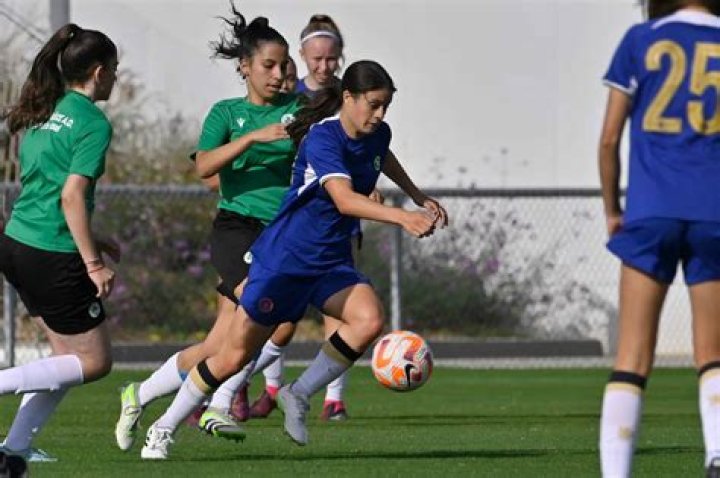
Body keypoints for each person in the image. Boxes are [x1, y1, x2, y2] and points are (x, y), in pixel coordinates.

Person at [139, 59, 448, 459]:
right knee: (232, 356)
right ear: (349, 98)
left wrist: (417, 195)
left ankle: (298, 393)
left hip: (330, 260)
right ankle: (162, 428)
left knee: (369, 320)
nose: (380, 114)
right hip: (285, 261)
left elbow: (382, 154)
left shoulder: (378, 132)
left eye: (386, 106)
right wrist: (404, 217)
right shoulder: (323, 138)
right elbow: (344, 199)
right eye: (373, 104)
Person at [113, 8, 304, 450]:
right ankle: (217, 405)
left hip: (280, 233)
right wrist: (252, 138)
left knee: (219, 345)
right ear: (245, 67)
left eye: (283, 66)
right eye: (269, 65)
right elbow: (203, 167)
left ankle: (139, 394)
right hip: (237, 229)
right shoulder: (227, 114)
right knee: (262, 311)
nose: (279, 75)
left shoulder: (298, 112)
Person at [598, 1, 720, 476]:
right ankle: (716, 452)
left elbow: (609, 140)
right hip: (713, 212)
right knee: (713, 354)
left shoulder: (640, 39)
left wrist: (613, 210)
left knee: (631, 357)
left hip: (651, 210)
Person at [0, 23, 119, 465]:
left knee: (65, 360)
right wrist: (93, 264)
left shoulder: (44, 108)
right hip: (51, 253)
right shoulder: (92, 122)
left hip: (18, 243)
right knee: (94, 362)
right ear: (99, 72)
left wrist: (94, 239)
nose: (116, 78)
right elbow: (70, 196)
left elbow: (46, 190)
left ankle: (14, 452)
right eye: (115, 69)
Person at [248, 13, 356, 422]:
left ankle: (334, 398)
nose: (324, 66)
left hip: (336, 215)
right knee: (277, 315)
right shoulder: (288, 99)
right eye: (317, 58)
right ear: (303, 56)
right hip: (293, 218)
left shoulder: (350, 97)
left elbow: (363, 152)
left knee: (340, 308)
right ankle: (267, 387)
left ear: (340, 57)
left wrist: (366, 188)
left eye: (331, 58)